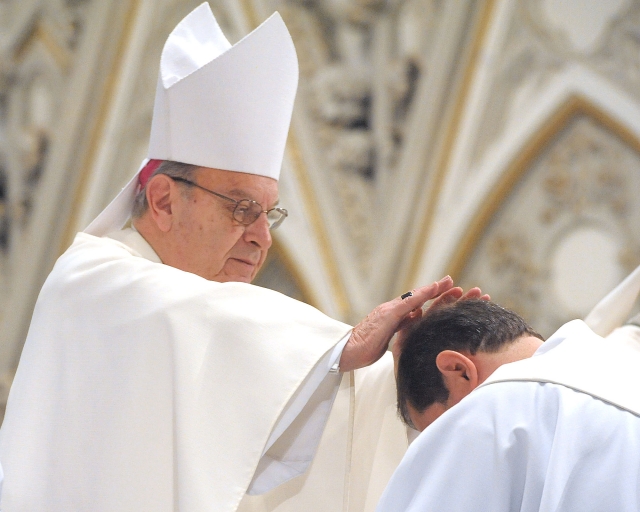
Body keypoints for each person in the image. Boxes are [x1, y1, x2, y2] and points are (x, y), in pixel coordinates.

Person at [0, 4, 460, 512]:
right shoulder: (90, 280)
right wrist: (337, 348)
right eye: (243, 209)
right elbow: (193, 319)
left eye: (270, 213)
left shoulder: (214, 326)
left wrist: (401, 369)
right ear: (164, 200)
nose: (262, 237)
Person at [378, 296, 640, 512]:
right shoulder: (625, 371)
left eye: (440, 429)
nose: (444, 444)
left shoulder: (489, 409)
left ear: (459, 370)